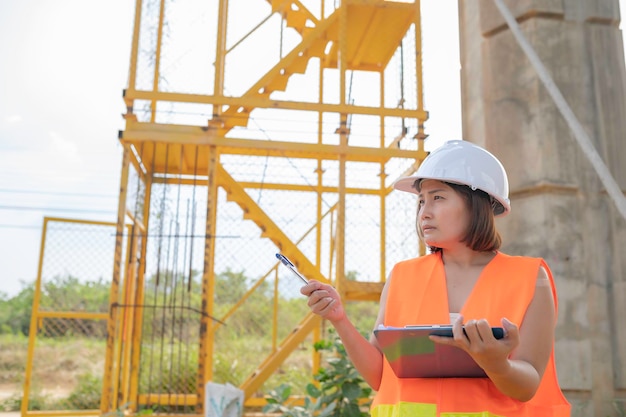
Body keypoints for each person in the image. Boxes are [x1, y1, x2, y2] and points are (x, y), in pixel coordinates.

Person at [301, 140, 571, 416]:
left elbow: (528, 386)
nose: (424, 213)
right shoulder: (403, 276)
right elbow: (380, 376)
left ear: (478, 203)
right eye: (421, 201)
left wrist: (497, 365)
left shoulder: (529, 277)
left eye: (438, 197)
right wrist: (340, 320)